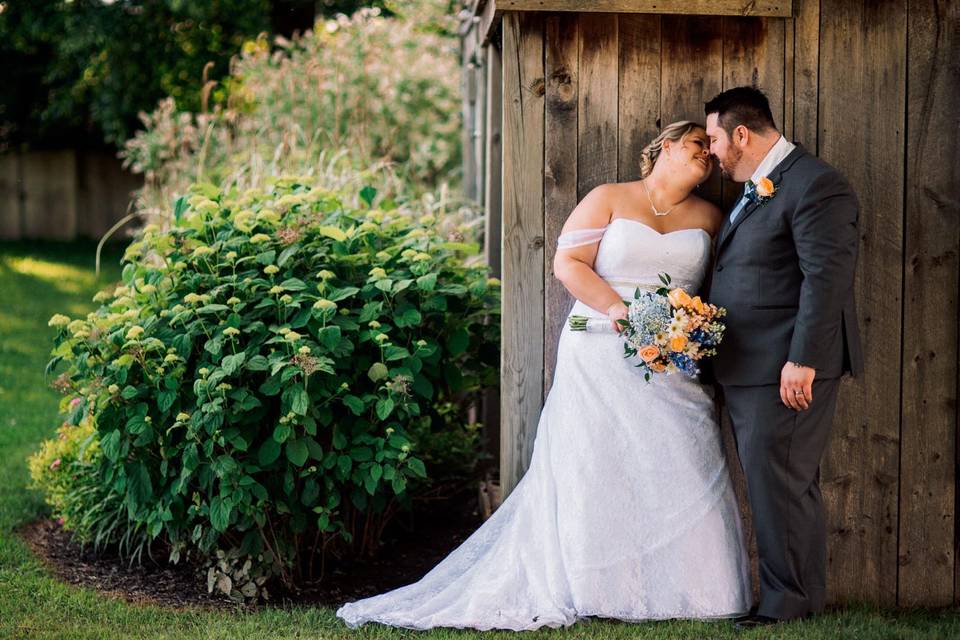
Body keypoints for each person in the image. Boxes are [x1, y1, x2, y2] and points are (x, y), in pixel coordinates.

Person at [335, 121, 752, 631]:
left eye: (712, 151)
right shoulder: (609, 198)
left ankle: (698, 590)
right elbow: (569, 264)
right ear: (666, 146)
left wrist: (689, 329)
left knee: (679, 458)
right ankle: (595, 586)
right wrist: (627, 316)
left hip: (672, 355)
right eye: (697, 146)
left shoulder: (712, 215)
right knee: (596, 464)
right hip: (598, 348)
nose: (707, 156)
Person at [703, 86, 863, 629]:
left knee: (781, 483)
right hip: (751, 364)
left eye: (714, 139)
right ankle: (793, 598)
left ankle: (785, 604)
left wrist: (804, 361)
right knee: (779, 482)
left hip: (785, 366)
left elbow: (826, 279)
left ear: (741, 135)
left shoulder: (816, 185)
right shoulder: (759, 186)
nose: (712, 152)